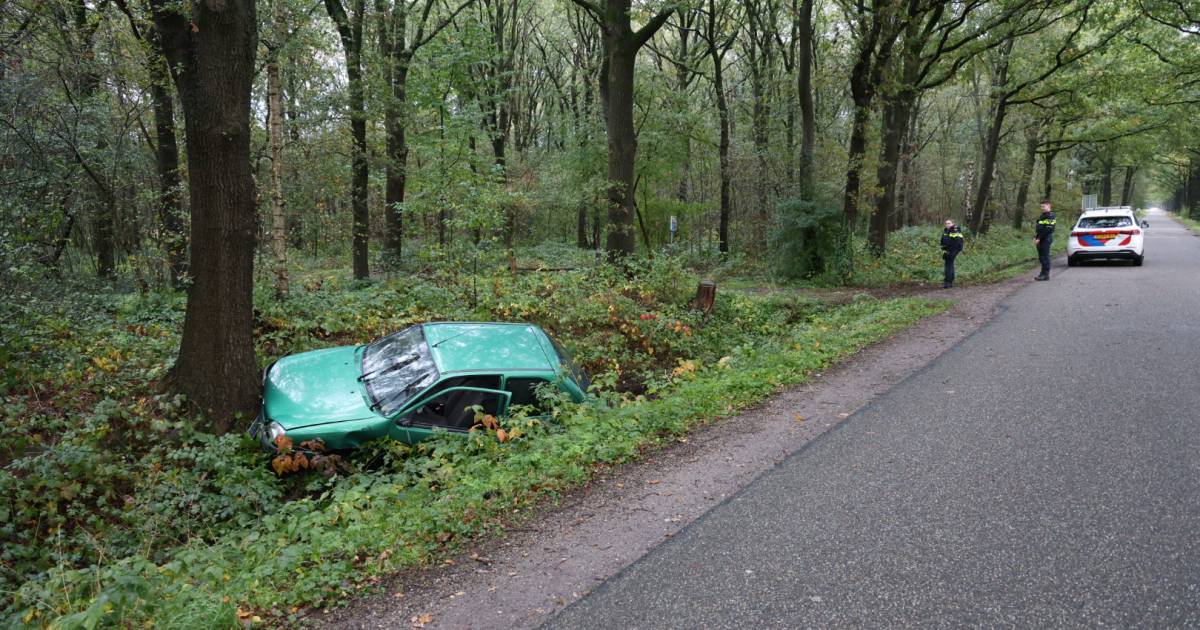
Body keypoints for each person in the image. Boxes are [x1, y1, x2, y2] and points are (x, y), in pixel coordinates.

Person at [1033, 199, 1056, 280]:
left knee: (1045, 256)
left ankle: (1046, 275)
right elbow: (1039, 228)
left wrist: (1039, 238)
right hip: (1041, 238)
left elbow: (1048, 229)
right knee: (1041, 257)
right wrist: (1035, 236)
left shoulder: (1050, 215)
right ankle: (1042, 274)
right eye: (1041, 206)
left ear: (1049, 206)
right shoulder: (1043, 215)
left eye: (1043, 206)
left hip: (1046, 238)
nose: (1042, 208)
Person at [940, 219, 964, 288]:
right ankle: (950, 282)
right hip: (947, 251)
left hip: (953, 250)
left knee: (948, 265)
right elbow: (942, 243)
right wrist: (944, 251)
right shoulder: (945, 231)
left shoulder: (955, 230)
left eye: (949, 223)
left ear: (953, 224)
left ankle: (947, 282)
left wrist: (951, 252)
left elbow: (957, 242)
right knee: (950, 264)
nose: (947, 225)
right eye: (946, 223)